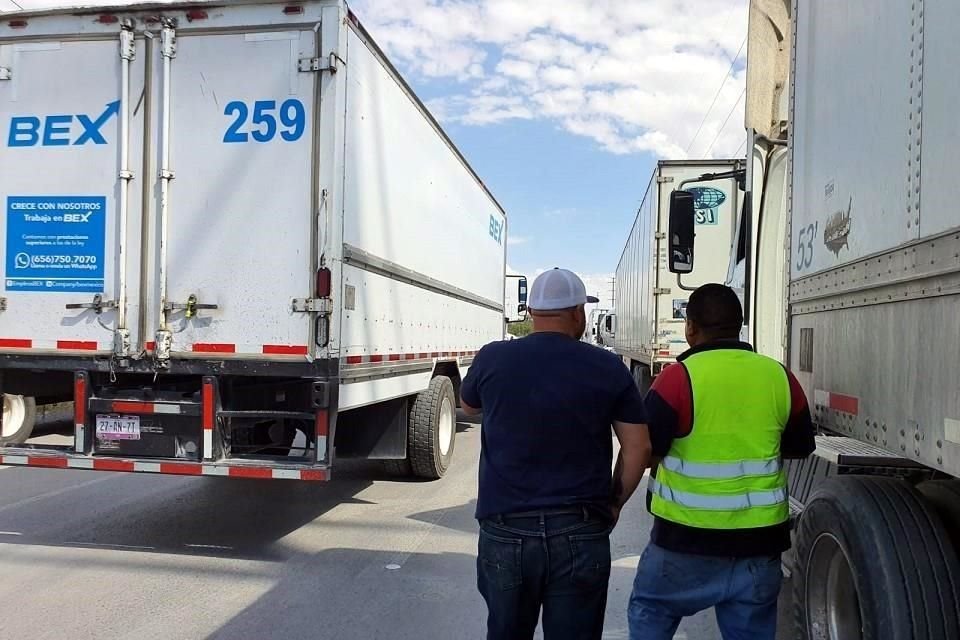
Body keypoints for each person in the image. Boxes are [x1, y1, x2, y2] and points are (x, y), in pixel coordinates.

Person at [461, 267, 652, 640]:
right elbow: (638, 447)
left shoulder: (493, 358)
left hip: (506, 530)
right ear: (579, 313)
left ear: (531, 312)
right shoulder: (607, 367)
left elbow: (469, 407)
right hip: (579, 531)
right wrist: (613, 504)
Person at [627, 283, 815, 640]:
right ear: (739, 325)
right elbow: (800, 446)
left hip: (683, 544)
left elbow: (648, 448)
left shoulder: (677, 379)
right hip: (759, 548)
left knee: (650, 612)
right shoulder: (778, 376)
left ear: (690, 328)